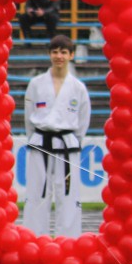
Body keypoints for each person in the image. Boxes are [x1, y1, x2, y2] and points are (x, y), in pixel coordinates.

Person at [21, 35, 90, 239]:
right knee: (37, 194)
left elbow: (83, 121)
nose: (58, 56)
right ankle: (33, 240)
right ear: (49, 54)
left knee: (68, 196)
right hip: (40, 143)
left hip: (68, 145)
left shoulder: (78, 87)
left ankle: (67, 242)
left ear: (71, 55)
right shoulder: (36, 84)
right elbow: (28, 118)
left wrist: (73, 141)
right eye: (55, 52)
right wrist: (34, 139)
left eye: (63, 52)